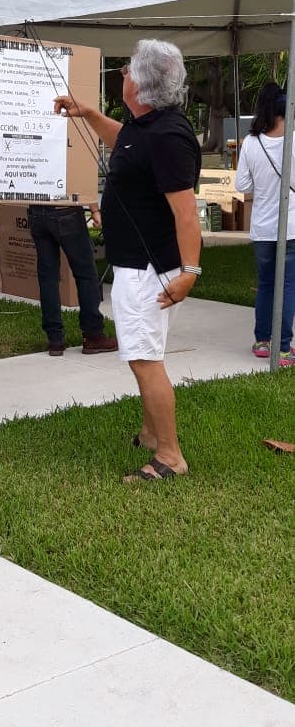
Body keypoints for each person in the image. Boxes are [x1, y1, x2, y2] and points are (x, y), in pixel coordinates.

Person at [55, 39, 201, 482]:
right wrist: (90, 113)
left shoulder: (168, 136)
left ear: (141, 84)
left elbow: (186, 212)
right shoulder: (146, 126)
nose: (122, 76)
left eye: (127, 70)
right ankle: (151, 432)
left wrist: (191, 272)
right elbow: (127, 142)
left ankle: (170, 456)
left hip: (149, 270)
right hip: (137, 266)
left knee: (143, 358)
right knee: (144, 353)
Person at [235, 82, 295, 367]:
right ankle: (283, 348)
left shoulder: (251, 142)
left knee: (266, 285)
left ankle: (262, 341)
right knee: (288, 285)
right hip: (291, 227)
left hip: (261, 227)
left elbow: (242, 184)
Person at [28, 203, 118, 355]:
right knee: (85, 273)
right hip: (66, 210)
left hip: (37, 211)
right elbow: (81, 180)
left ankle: (55, 339)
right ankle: (93, 334)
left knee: (48, 277)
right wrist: (94, 209)